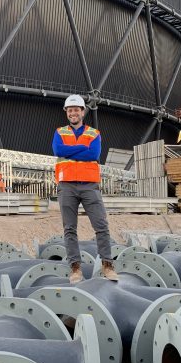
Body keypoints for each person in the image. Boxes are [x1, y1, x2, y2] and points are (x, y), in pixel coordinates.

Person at [52, 94, 118, 283]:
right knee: (69, 229)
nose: (73, 113)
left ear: (82, 111)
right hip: (67, 186)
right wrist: (83, 150)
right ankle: (75, 269)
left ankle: (107, 265)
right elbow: (59, 151)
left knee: (101, 226)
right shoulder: (59, 132)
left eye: (76, 110)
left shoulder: (94, 133)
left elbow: (94, 153)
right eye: (70, 110)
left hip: (89, 185)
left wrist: (73, 150)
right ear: (67, 113)